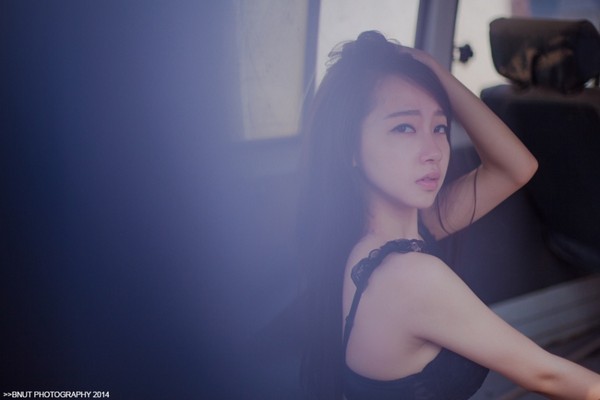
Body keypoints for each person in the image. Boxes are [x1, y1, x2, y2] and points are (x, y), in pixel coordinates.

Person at [296, 30, 600, 400]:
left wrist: (433, 69)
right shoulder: (409, 275)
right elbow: (548, 375)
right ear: (351, 148)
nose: (434, 151)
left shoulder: (377, 238)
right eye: (404, 127)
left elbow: (517, 168)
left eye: (440, 127)